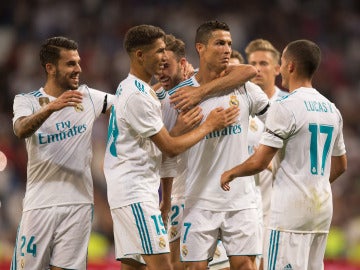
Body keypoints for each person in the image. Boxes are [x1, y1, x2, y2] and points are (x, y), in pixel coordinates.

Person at [103, 24, 240, 270]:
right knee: (167, 265)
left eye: (166, 52)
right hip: (136, 192)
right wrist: (209, 125)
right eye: (158, 52)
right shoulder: (141, 96)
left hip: (138, 190)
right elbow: (170, 147)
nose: (163, 56)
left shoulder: (138, 90)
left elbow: (158, 146)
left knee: (134, 265)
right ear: (140, 56)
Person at [221, 39, 347, 270]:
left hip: (290, 213)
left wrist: (230, 173)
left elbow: (260, 161)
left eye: (281, 62)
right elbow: (340, 166)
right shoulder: (332, 108)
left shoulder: (286, 106)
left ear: (290, 66)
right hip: (321, 211)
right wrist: (312, 184)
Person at [166, 20, 269, 270]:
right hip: (199, 201)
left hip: (241, 201)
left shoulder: (246, 89)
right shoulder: (178, 97)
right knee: (194, 268)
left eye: (229, 44)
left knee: (246, 265)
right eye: (219, 43)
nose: (226, 49)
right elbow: (166, 148)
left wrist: (202, 93)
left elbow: (278, 124)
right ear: (200, 48)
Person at [10, 36, 114, 270]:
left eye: (77, 62)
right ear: (50, 68)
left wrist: (159, 88)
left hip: (78, 205)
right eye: (70, 64)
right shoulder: (26, 101)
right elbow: (20, 129)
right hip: (40, 206)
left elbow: (128, 104)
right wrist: (51, 107)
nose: (78, 68)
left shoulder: (88, 97)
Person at [244, 39, 288, 270]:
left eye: (263, 63)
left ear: (278, 68)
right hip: (242, 202)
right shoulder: (239, 105)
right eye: (253, 63)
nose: (257, 69)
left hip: (276, 204)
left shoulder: (288, 105)